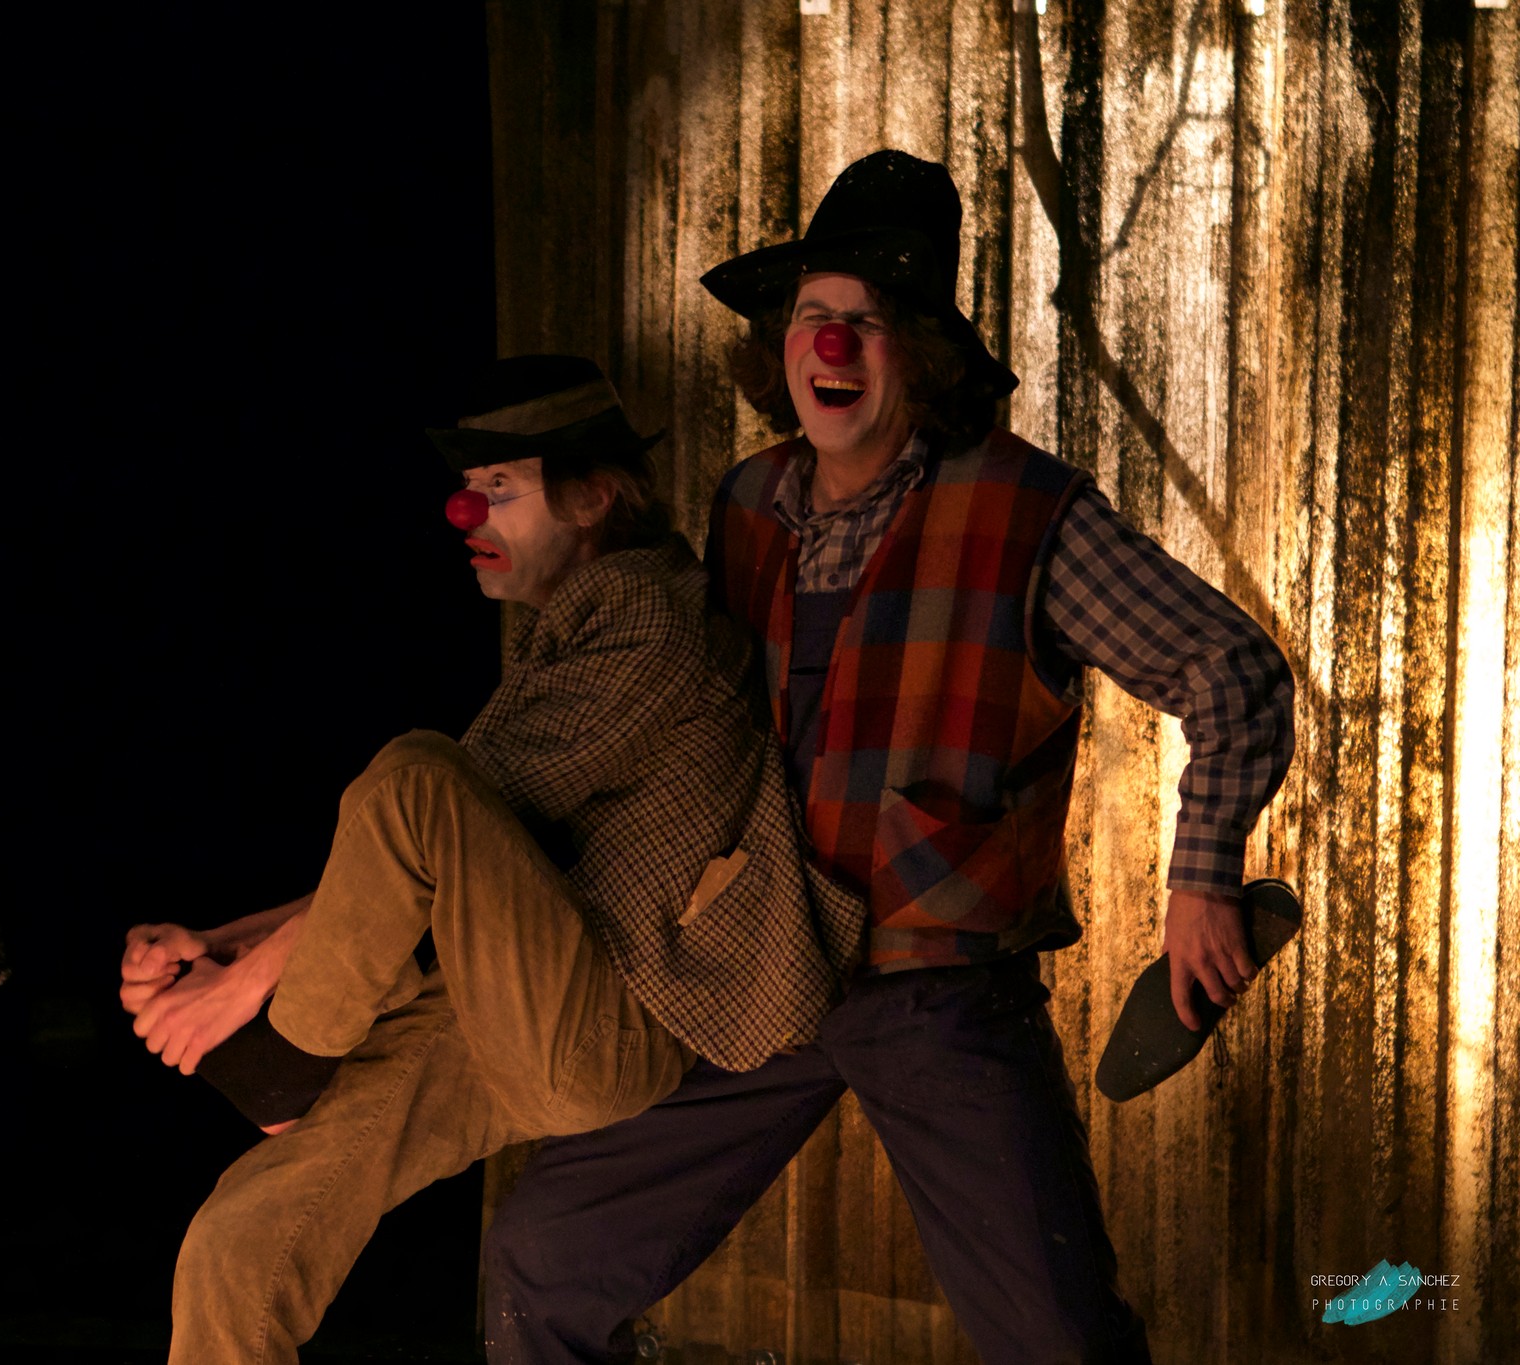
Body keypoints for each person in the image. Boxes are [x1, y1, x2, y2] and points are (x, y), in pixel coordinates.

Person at [481, 151, 1296, 1364]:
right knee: (541, 1259)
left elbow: (1229, 669)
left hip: (938, 987)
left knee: (1056, 1341)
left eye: (866, 322)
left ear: (917, 351)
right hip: (759, 968)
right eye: (812, 316)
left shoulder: (1025, 511)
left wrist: (1200, 880)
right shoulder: (747, 502)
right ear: (779, 346)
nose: (832, 345)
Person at [122, 355, 864, 1365]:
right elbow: (405, 865)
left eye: (499, 487)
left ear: (593, 497)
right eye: (469, 488)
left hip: (604, 1019)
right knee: (237, 1242)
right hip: (507, 1006)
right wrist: (224, 941)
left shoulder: (650, 616)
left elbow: (431, 812)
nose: (465, 513)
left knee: (412, 774)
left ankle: (282, 1066)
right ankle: (281, 1066)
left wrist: (243, 987)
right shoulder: (565, 633)